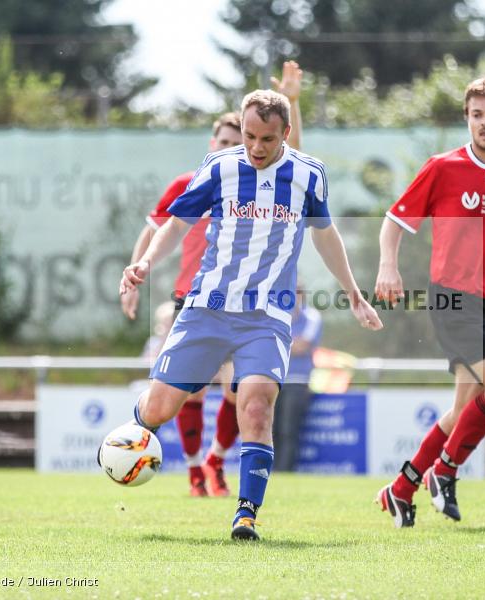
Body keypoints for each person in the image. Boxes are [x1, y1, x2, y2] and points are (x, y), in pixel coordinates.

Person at [119, 89, 383, 541]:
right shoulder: (218, 168)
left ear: (286, 133)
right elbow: (178, 223)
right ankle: (130, 435)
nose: (256, 147)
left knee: (256, 404)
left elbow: (325, 235)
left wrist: (354, 293)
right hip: (207, 309)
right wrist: (146, 262)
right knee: (161, 407)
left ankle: (246, 512)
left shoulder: (307, 175)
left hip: (267, 316)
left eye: (267, 138)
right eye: (249, 135)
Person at [373, 72, 485, 527]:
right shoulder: (443, 167)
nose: (484, 123)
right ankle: (444, 472)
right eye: (476, 115)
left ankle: (401, 488)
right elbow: (394, 221)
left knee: (465, 406)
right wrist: (388, 266)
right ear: (467, 119)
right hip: (452, 297)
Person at [121, 62, 305, 497]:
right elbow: (155, 227)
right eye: (229, 140)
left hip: (249, 301)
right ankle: (191, 469)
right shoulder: (199, 179)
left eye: (239, 140)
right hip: (195, 295)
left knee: (236, 390)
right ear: (216, 143)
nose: (240, 148)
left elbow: (292, 158)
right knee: (191, 391)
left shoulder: (271, 177)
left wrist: (293, 102)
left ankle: (216, 460)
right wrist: (136, 272)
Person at [272, 287, 323, 471]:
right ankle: (269, 475)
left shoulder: (312, 316)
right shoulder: (276, 316)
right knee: (271, 431)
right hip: (274, 381)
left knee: (288, 431)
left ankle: (283, 473)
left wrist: (279, 342)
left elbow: (302, 347)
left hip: (297, 383)